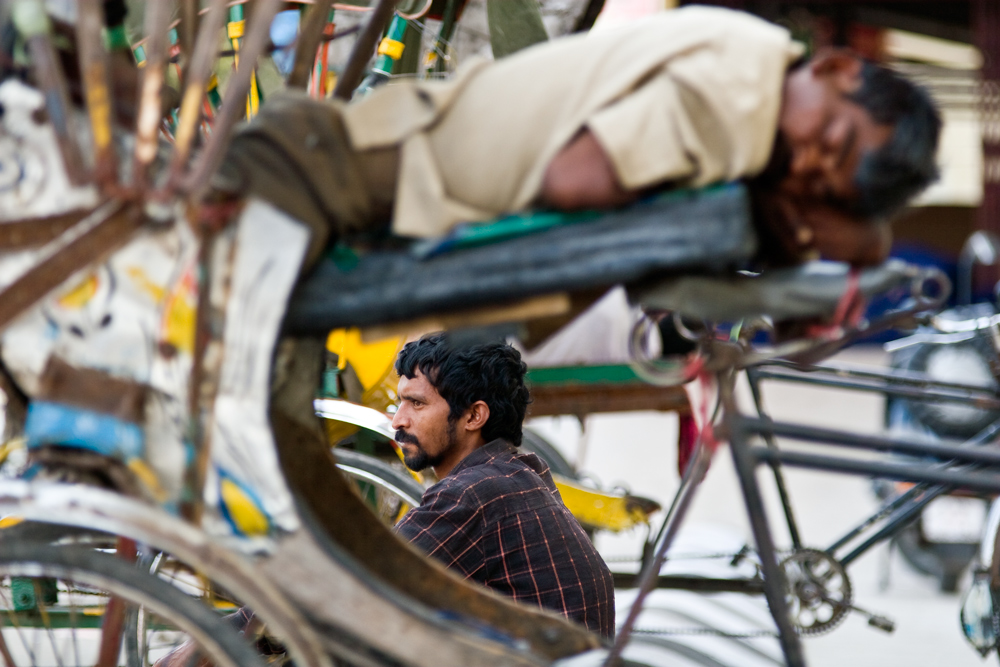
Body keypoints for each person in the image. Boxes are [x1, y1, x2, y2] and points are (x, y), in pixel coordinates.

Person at [220, 4, 940, 269]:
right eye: (833, 140)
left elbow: (863, 242)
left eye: (825, 179)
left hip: (367, 177)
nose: (809, 161)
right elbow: (577, 181)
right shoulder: (741, 94)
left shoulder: (751, 72)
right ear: (837, 68)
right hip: (348, 175)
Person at [390, 333, 616, 638]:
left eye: (416, 403)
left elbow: (369, 578)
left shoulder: (472, 494)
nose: (397, 420)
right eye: (399, 402)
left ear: (473, 416)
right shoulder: (520, 474)